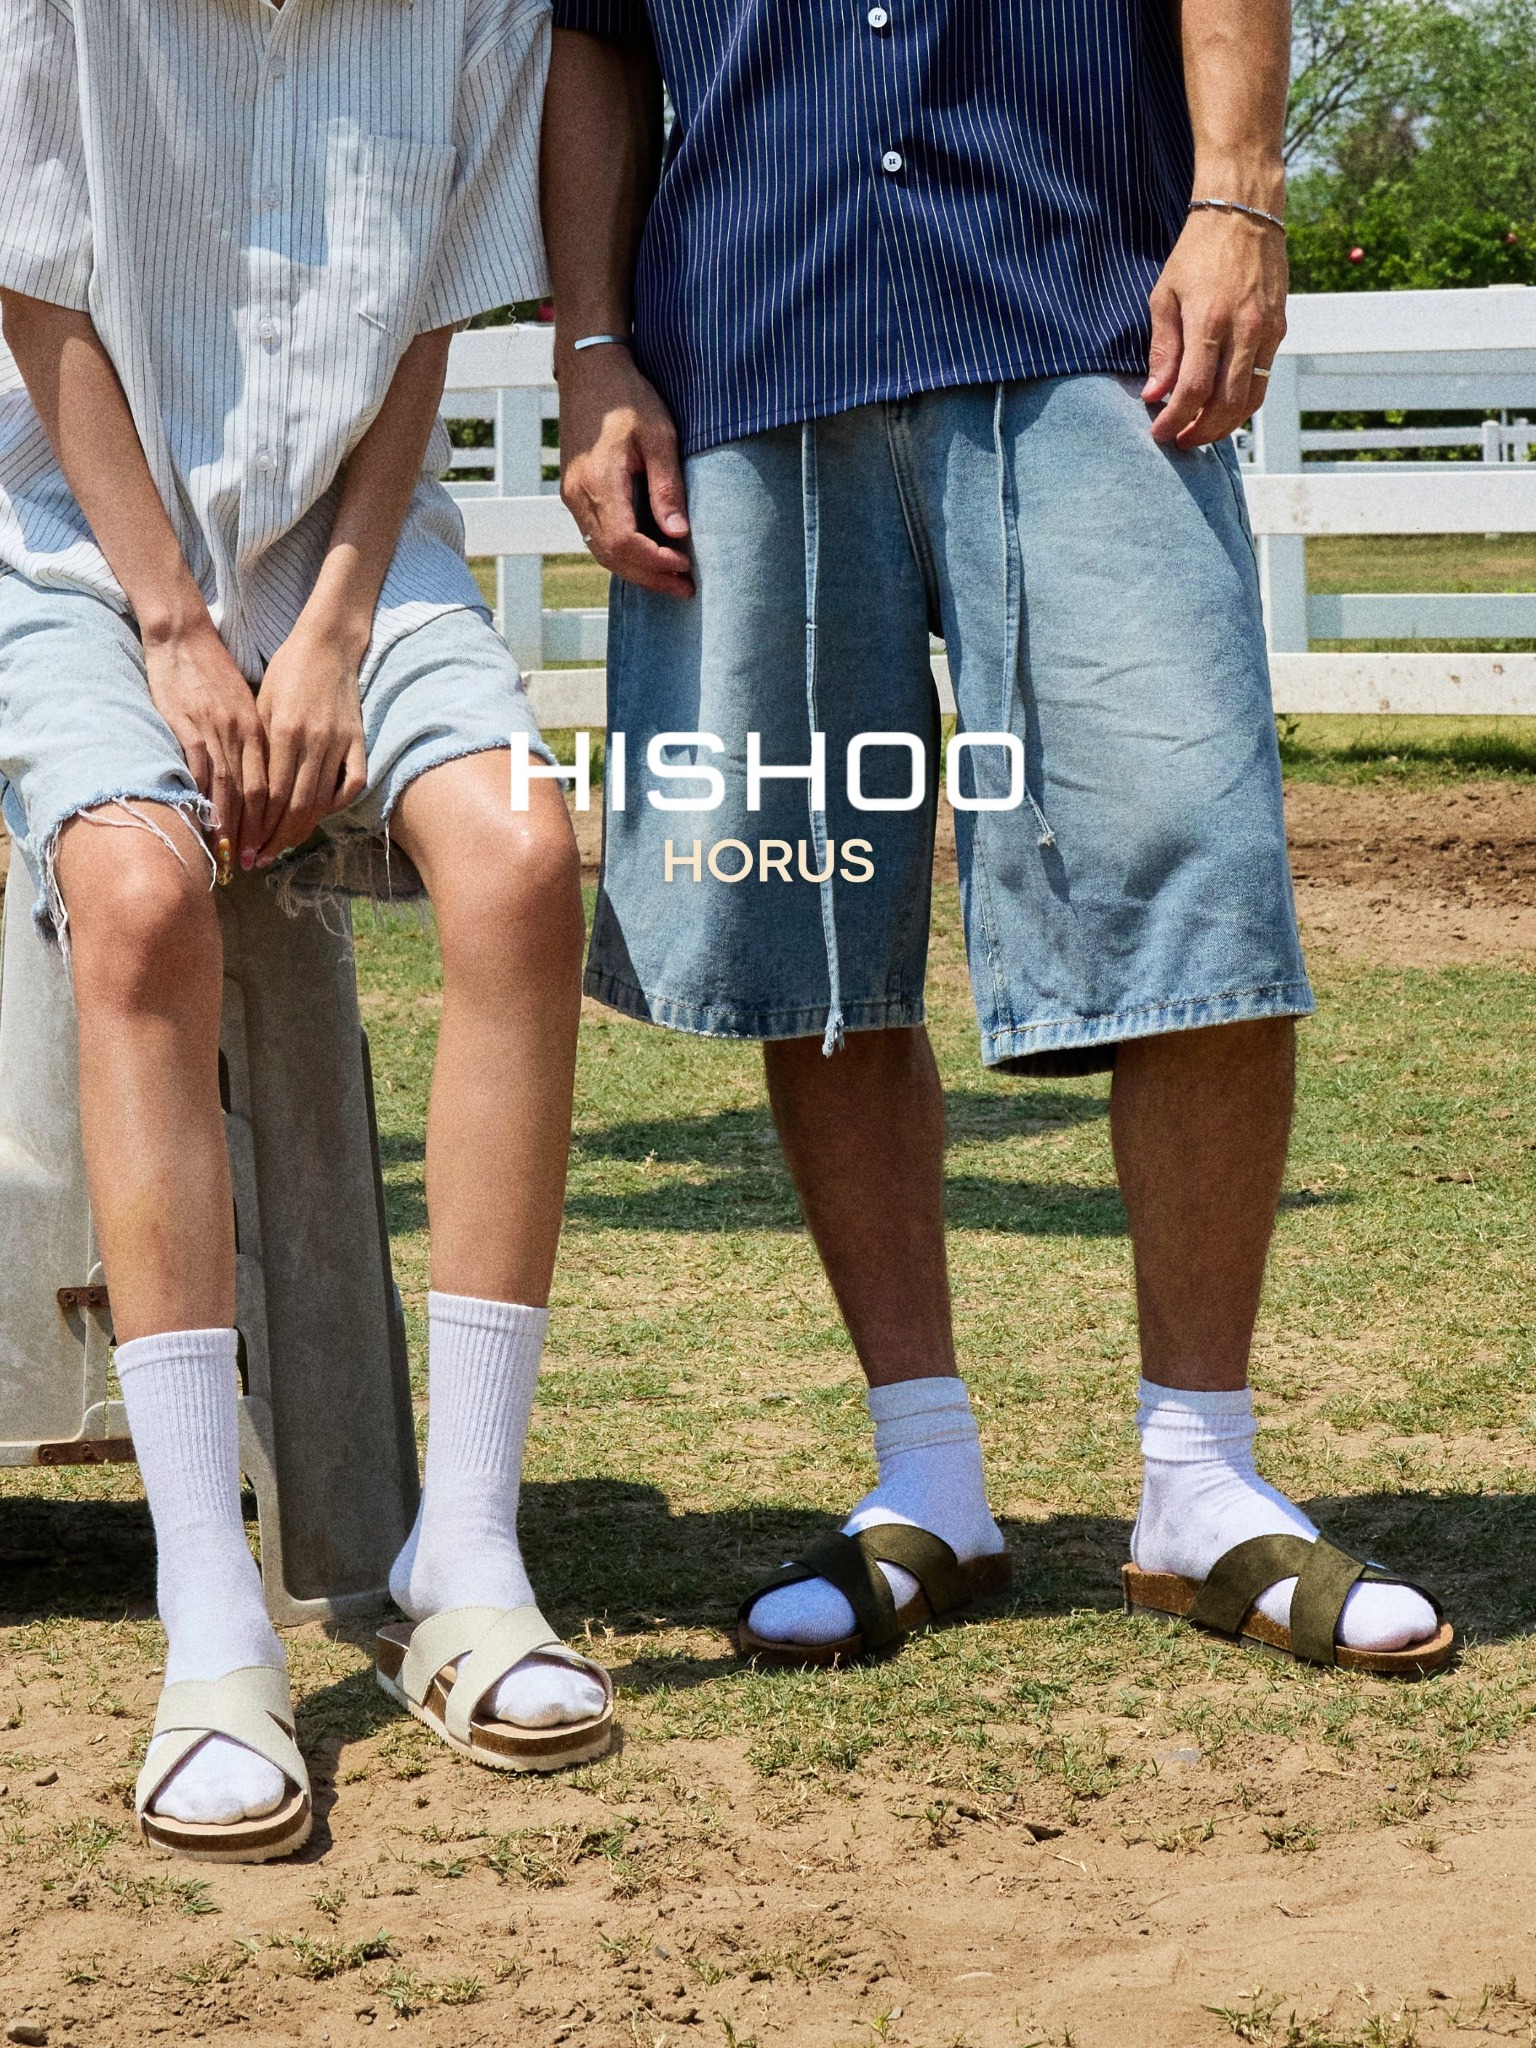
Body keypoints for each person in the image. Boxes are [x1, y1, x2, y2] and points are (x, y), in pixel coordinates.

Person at [541, 0, 1453, 1676]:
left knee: (1191, 856)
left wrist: (1239, 192)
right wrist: (591, 339)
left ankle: (1199, 1479)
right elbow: (597, 32)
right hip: (751, 328)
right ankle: (928, 1482)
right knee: (813, 909)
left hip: (1087, 310)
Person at [0, 0, 613, 1864]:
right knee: (139, 892)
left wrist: (333, 629)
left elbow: (422, 325)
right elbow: (37, 294)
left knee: (524, 857)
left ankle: (466, 1563)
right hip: (79, 551)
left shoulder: (478, 7)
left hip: (360, 554)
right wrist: (178, 628)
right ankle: (214, 1626)